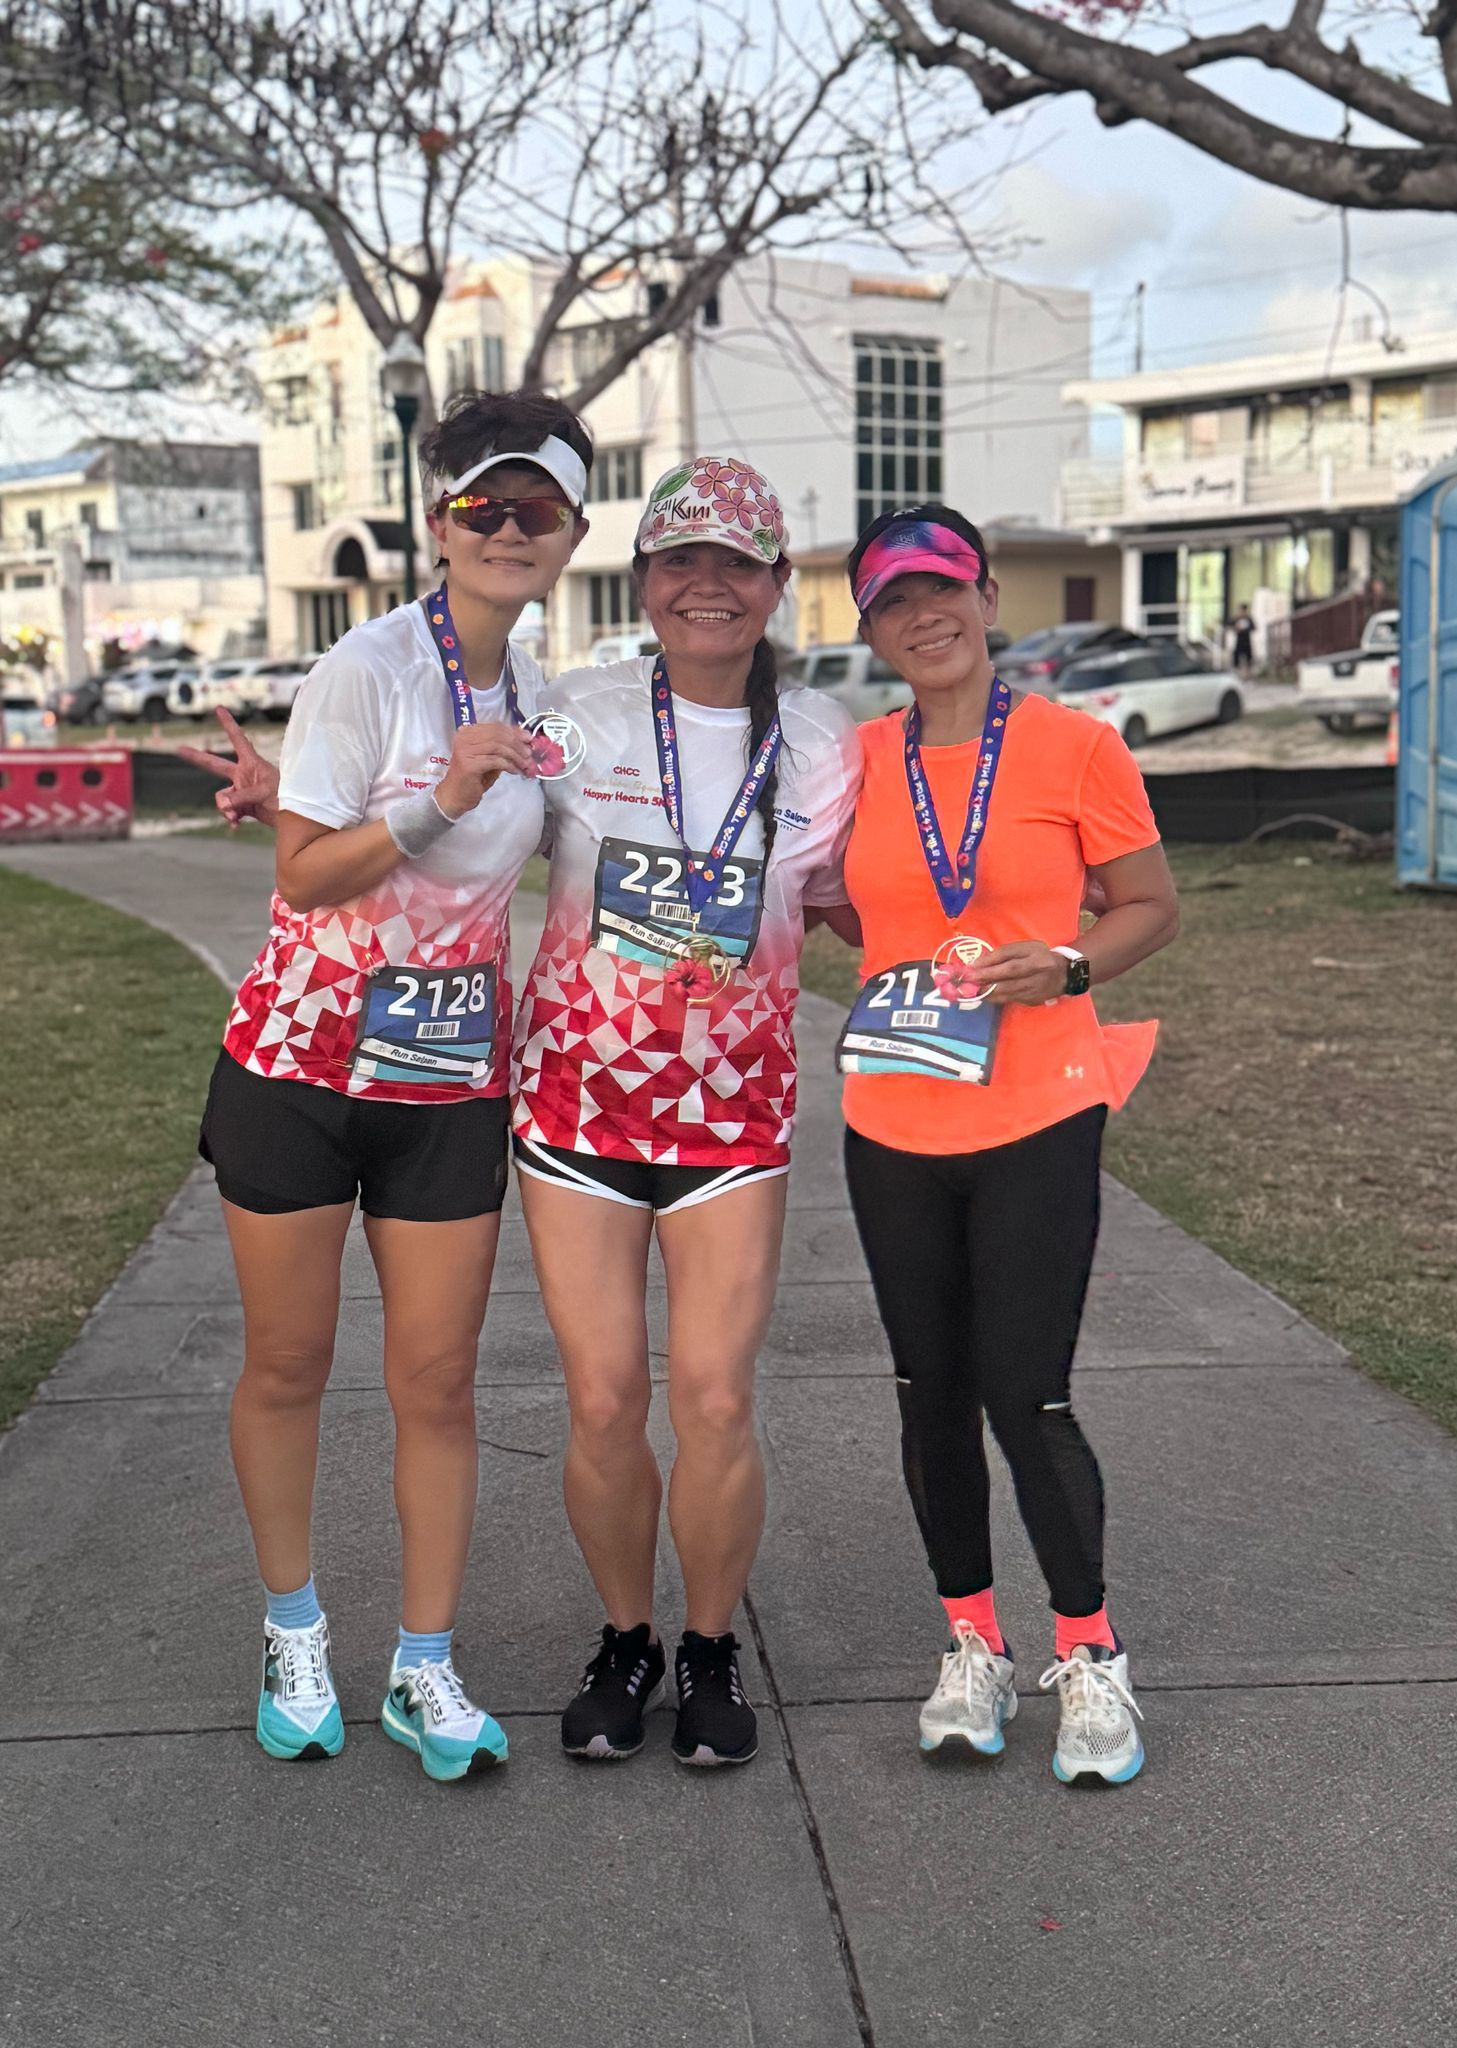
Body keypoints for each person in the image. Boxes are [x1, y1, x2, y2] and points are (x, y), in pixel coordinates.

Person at [188, 388, 591, 1781]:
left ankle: (426, 1663)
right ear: (443, 522)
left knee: (437, 1381)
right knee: (290, 1360)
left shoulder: (547, 696)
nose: (511, 528)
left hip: (445, 1082)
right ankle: (293, 1628)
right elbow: (310, 873)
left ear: (572, 534)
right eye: (487, 504)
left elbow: (586, 854)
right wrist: (430, 803)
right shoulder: (366, 669)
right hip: (298, 1066)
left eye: (539, 508)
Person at [511, 457, 861, 1767]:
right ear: (645, 579)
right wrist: (303, 811)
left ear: (778, 584)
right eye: (680, 560)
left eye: (736, 562)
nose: (706, 584)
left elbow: (857, 906)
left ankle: (711, 1648)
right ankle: (626, 1637)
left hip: (733, 1122)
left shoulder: (828, 744)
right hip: (577, 1112)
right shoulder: (576, 717)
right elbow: (461, 833)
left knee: (713, 1397)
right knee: (603, 1398)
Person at [823, 505, 1178, 1785]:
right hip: (894, 1114)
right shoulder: (856, 757)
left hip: (1036, 1108)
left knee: (1027, 1390)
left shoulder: (1078, 744)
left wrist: (1070, 961)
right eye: (892, 601)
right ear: (869, 628)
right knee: (931, 1390)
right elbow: (820, 895)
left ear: (984, 597)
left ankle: (1090, 1654)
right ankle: (969, 1643)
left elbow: (1151, 905)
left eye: (943, 590)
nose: (925, 616)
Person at [1230, 605, 1255, 679]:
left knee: (1248, 658)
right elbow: (1230, 625)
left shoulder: (1249, 619)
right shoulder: (1236, 618)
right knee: (1236, 656)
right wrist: (1236, 628)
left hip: (1247, 640)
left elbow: (1253, 627)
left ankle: (1248, 674)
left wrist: (1245, 629)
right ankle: (1237, 673)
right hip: (1239, 640)